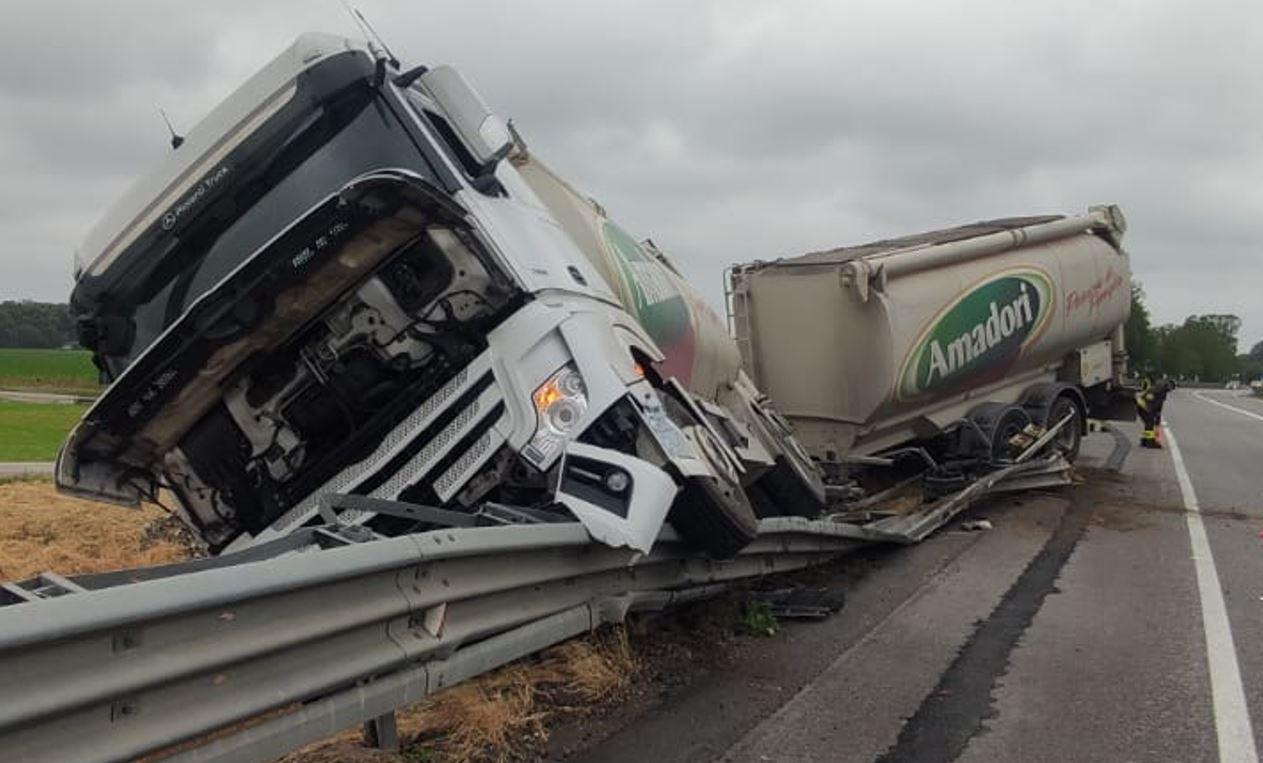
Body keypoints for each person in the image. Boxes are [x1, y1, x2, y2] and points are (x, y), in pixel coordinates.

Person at [1136, 377, 1175, 449]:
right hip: (1144, 405)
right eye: (1171, 387)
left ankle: (1145, 440)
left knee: (1149, 423)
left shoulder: (1163, 391)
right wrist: (1151, 409)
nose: (1170, 390)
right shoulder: (1159, 388)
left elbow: (1159, 405)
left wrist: (1158, 416)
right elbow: (1150, 397)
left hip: (1145, 406)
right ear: (1168, 384)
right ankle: (1149, 443)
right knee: (1150, 423)